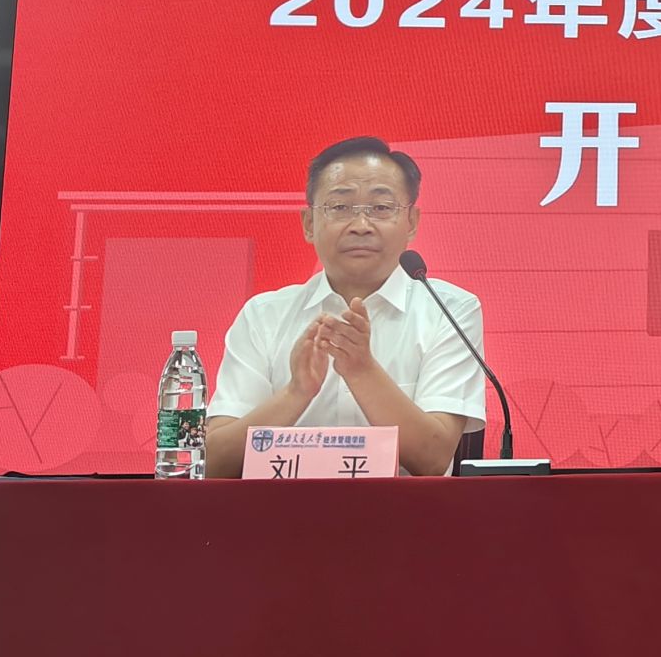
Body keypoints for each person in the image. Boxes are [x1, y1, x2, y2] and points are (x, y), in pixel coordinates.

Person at [204, 137, 486, 477]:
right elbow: (215, 464)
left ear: (411, 222)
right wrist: (295, 393)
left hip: (405, 511)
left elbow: (433, 458)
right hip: (279, 510)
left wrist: (362, 371)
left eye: (381, 208)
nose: (361, 226)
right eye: (340, 207)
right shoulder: (263, 316)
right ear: (309, 223)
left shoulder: (449, 311)